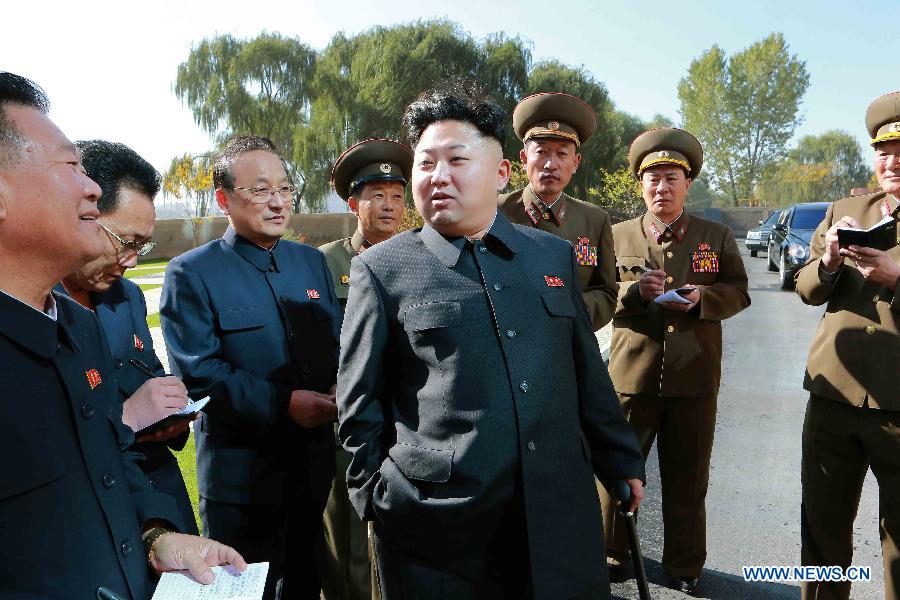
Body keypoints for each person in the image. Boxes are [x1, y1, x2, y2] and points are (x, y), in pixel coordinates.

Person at [337, 81, 645, 600]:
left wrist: (620, 460)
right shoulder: (382, 269)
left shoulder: (550, 256)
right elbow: (357, 403)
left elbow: (584, 372)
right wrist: (378, 496)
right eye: (425, 163)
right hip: (439, 530)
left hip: (556, 512)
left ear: (501, 172)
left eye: (456, 160)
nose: (438, 177)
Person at [0, 71, 244, 599]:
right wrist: (129, 417)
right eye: (69, 166)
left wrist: (156, 539)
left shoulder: (76, 326)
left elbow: (101, 474)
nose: (88, 186)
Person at [160, 135, 342, 599]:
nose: (279, 202)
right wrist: (285, 404)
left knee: (306, 583)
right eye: (261, 190)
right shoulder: (192, 272)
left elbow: (337, 345)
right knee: (246, 588)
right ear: (224, 198)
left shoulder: (310, 263)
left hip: (315, 469)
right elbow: (199, 373)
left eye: (285, 188)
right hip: (242, 482)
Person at [597, 128, 750, 593]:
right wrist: (633, 293)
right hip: (631, 376)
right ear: (640, 186)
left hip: (694, 378)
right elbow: (599, 294)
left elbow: (740, 292)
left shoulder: (715, 236)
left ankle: (684, 565)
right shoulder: (615, 234)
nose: (662, 188)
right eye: (654, 179)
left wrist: (703, 297)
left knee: (688, 478)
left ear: (687, 185)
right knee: (617, 474)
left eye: (671, 179)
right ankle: (610, 553)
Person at [56, 139, 198, 535]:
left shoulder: (127, 296)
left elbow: (146, 370)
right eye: (126, 242)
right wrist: (127, 418)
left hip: (158, 488)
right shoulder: (36, 304)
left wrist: (171, 414)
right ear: (83, 213)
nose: (133, 259)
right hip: (93, 509)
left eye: (142, 245)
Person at [795, 91, 900, 600]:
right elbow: (805, 288)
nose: (892, 161)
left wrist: (897, 277)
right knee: (823, 532)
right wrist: (831, 263)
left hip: (898, 406)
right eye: (884, 151)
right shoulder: (847, 208)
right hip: (833, 396)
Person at [319, 138, 412, 600]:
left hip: (413, 421)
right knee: (350, 535)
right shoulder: (327, 262)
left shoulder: (422, 256)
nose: (389, 206)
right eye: (377, 195)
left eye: (397, 196)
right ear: (354, 203)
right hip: (351, 419)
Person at [498, 92, 617, 330]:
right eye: (541, 152)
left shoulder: (595, 220)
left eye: (562, 154)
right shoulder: (494, 212)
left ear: (576, 163)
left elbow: (606, 292)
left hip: (569, 347)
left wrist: (569, 311)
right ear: (523, 158)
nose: (551, 164)